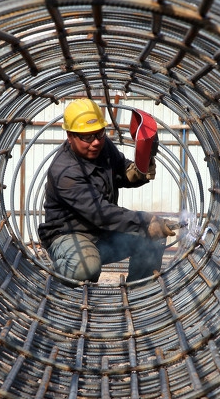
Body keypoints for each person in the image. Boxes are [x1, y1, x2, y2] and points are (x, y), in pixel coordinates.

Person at [38, 98, 179, 283]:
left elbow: (120, 170)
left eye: (99, 133)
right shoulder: (64, 172)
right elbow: (101, 213)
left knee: (153, 236)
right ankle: (60, 275)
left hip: (102, 233)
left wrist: (136, 172)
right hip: (69, 235)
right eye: (87, 137)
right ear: (70, 136)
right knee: (85, 267)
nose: (95, 142)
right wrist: (146, 221)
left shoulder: (102, 146)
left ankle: (138, 294)